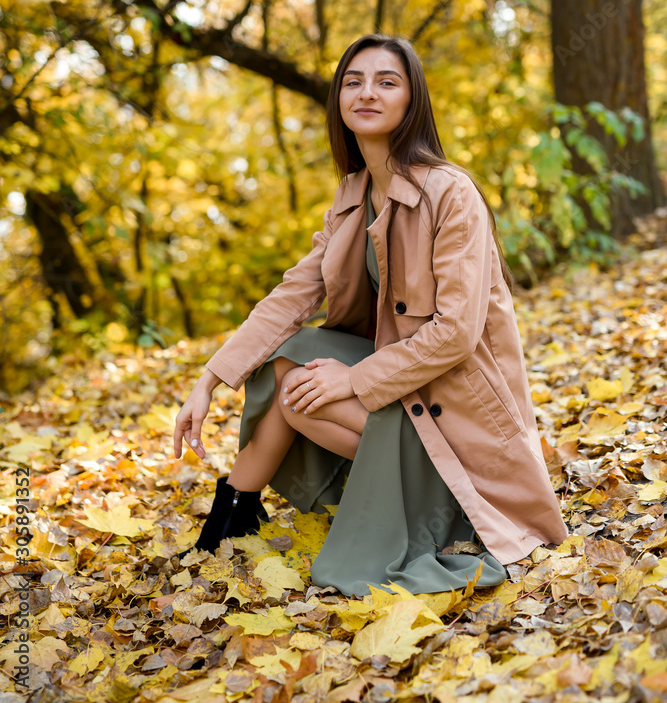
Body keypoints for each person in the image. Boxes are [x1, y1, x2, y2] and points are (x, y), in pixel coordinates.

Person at [173, 34, 568, 595]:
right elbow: (293, 295)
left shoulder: (451, 194)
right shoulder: (355, 192)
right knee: (292, 358)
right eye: (353, 81)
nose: (367, 93)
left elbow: (455, 334)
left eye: (387, 81)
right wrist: (207, 381)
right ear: (338, 99)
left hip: (454, 413)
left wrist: (354, 377)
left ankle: (431, 494)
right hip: (403, 388)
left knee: (303, 391)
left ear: (413, 100)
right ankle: (238, 506)